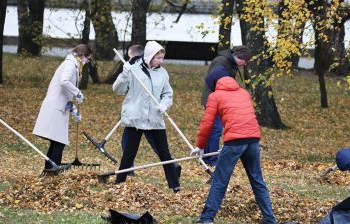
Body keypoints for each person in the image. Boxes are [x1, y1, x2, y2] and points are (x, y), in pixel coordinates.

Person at [192, 76, 277, 223]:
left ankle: (206, 219)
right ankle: (269, 219)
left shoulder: (215, 96)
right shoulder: (243, 92)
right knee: (257, 179)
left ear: (214, 85)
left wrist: (200, 146)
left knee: (219, 181)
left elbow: (207, 124)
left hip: (234, 143)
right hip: (253, 140)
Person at [113, 41, 180, 193]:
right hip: (135, 118)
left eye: (162, 58)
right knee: (129, 154)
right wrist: (124, 74)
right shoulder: (133, 70)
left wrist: (164, 104)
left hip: (154, 118)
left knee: (164, 152)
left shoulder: (163, 73)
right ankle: (119, 183)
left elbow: (167, 94)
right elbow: (118, 90)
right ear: (150, 56)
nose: (161, 61)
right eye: (158, 58)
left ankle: (175, 185)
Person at [33, 44, 91, 170]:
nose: (87, 61)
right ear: (82, 55)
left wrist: (73, 109)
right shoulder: (70, 64)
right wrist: (78, 92)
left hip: (59, 106)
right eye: (88, 58)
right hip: (55, 107)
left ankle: (50, 168)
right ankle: (53, 169)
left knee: (56, 141)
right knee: (59, 141)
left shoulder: (72, 64)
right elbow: (64, 81)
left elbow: (65, 92)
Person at [200, 46, 252, 167]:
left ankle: (207, 157)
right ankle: (212, 159)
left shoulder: (230, 62)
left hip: (220, 99)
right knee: (216, 129)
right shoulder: (221, 61)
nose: (245, 64)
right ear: (240, 57)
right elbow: (213, 80)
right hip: (214, 99)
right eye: (245, 61)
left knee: (213, 129)